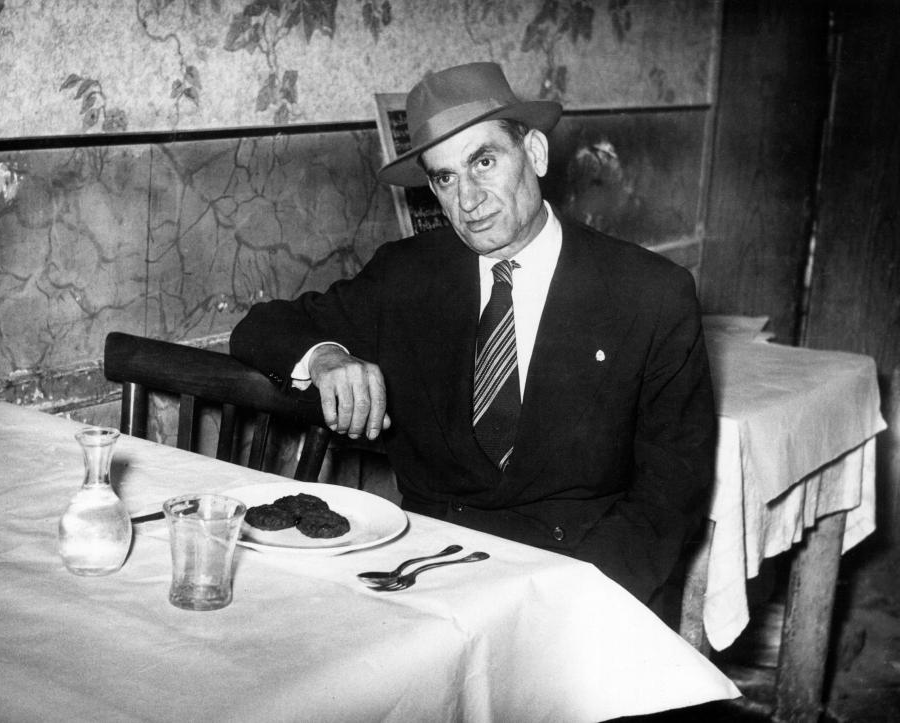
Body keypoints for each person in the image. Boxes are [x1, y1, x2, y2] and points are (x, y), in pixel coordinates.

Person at [230, 62, 715, 605]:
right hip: (427, 573)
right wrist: (324, 357)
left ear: (534, 153)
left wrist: (582, 597)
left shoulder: (648, 292)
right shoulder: (407, 274)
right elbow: (261, 326)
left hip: (582, 576)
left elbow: (673, 486)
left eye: (484, 161)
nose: (468, 199)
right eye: (445, 177)